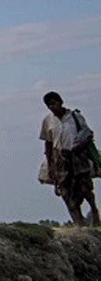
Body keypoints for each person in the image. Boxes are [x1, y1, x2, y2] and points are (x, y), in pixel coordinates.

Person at [41, 91, 100, 226]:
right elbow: (48, 143)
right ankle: (79, 222)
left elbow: (87, 133)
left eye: (54, 103)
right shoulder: (48, 121)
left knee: (85, 188)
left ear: (60, 102)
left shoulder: (75, 116)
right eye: (49, 105)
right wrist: (50, 165)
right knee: (66, 192)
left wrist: (80, 144)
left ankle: (94, 212)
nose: (52, 107)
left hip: (78, 156)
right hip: (60, 159)